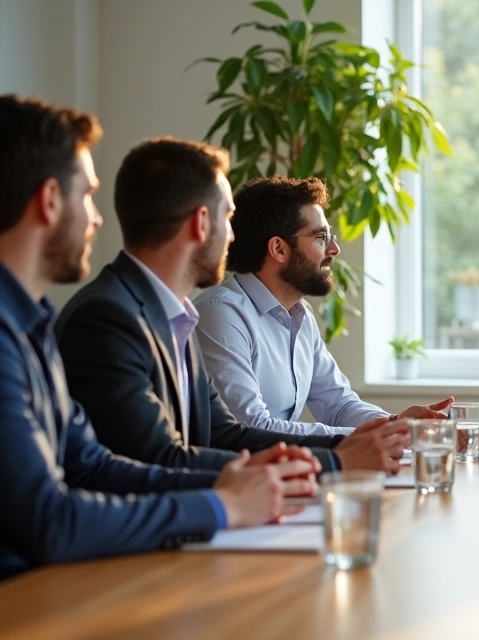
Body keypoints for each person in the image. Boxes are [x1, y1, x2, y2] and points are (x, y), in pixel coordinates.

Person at [0, 95, 317, 580]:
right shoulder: (80, 320)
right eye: (86, 195)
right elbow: (51, 519)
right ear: (48, 201)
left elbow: (90, 463)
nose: (98, 218)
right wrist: (220, 505)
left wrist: (250, 484)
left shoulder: (32, 324)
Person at [56, 138, 411, 473]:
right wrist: (337, 458)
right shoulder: (111, 317)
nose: (232, 235)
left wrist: (380, 435)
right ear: (200, 222)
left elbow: (225, 435)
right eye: (227, 218)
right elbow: (158, 460)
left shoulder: (176, 314)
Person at [193, 176, 452, 437]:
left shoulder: (300, 316)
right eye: (321, 237)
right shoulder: (221, 314)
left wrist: (395, 423)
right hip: (236, 476)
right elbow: (251, 429)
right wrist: (363, 439)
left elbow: (339, 406)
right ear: (279, 249)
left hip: (286, 472)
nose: (335, 248)